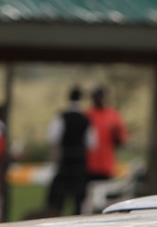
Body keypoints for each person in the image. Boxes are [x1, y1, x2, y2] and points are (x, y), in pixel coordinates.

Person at [46, 86, 95, 215]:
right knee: (79, 198)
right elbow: (92, 143)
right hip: (79, 161)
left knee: (58, 196)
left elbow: (53, 138)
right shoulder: (86, 119)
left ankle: (56, 216)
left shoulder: (61, 117)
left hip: (65, 160)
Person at [86, 86, 128, 181]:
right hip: (89, 166)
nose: (99, 98)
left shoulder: (113, 115)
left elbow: (122, 141)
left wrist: (116, 134)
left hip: (106, 165)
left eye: (101, 95)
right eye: (96, 96)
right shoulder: (87, 115)